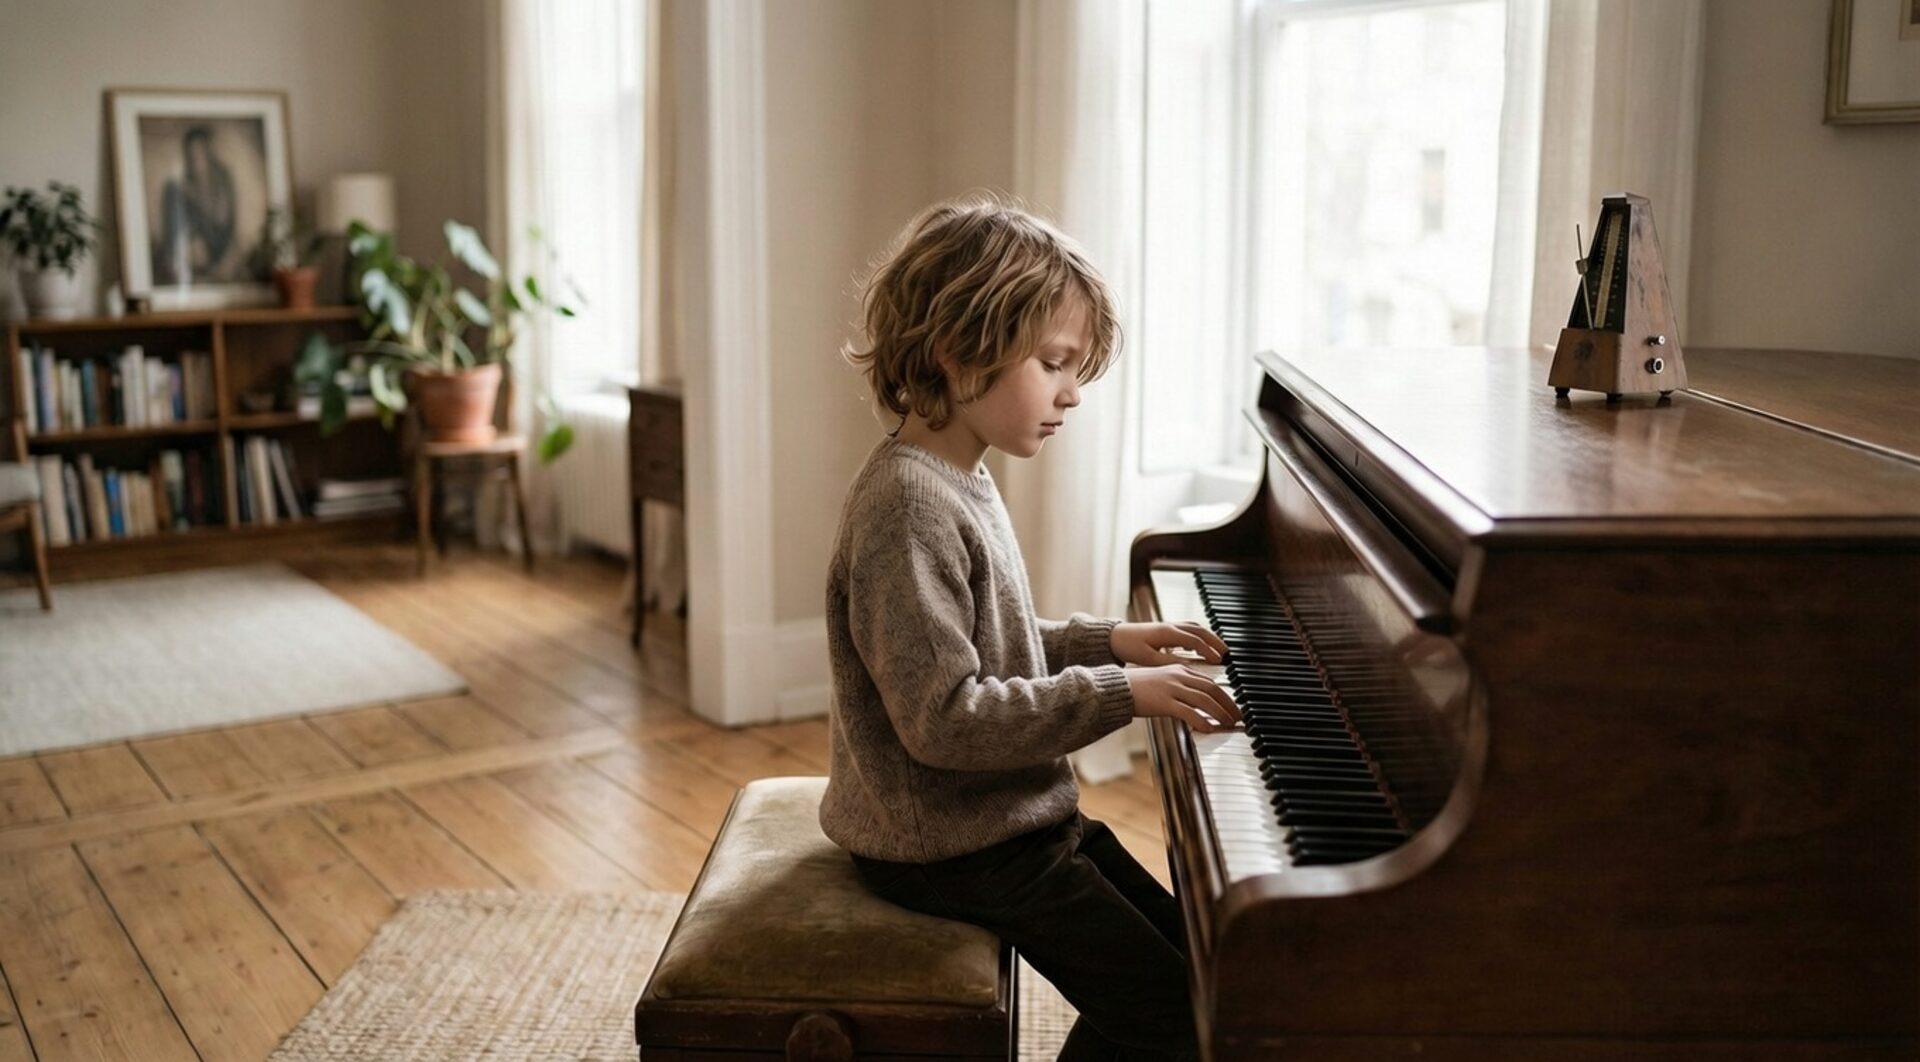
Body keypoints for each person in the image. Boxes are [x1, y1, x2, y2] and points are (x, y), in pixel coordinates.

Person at [821, 194, 1243, 1062]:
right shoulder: (907, 507)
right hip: (946, 844)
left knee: (1208, 966)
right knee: (1168, 1009)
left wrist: (1106, 643)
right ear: (959, 350)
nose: (1073, 394)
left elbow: (989, 642)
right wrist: (1121, 694)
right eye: (1054, 362)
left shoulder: (956, 476)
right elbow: (945, 717)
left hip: (1007, 819)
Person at [154, 125, 237, 284]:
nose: (195, 158)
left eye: (199, 152)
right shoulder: (180, 185)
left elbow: (222, 222)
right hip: (189, 248)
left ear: (207, 153)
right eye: (190, 154)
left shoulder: (221, 181)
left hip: (214, 247)